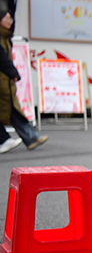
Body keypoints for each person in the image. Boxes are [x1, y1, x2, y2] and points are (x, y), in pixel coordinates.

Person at [0, 12, 48, 153]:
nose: (10, 20)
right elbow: (2, 58)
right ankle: (9, 139)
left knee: (13, 111)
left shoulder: (6, 36)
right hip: (3, 83)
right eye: (7, 18)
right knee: (12, 110)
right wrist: (13, 72)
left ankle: (28, 137)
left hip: (5, 83)